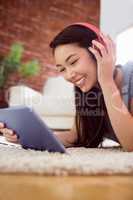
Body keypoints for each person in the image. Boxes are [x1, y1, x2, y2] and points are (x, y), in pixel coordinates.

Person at [0, 22, 133, 151]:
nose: (69, 75)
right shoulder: (90, 92)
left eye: (73, 62)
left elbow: (131, 144)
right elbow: (74, 136)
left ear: (98, 51)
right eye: (62, 69)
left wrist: (106, 80)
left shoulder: (130, 77)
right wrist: (25, 137)